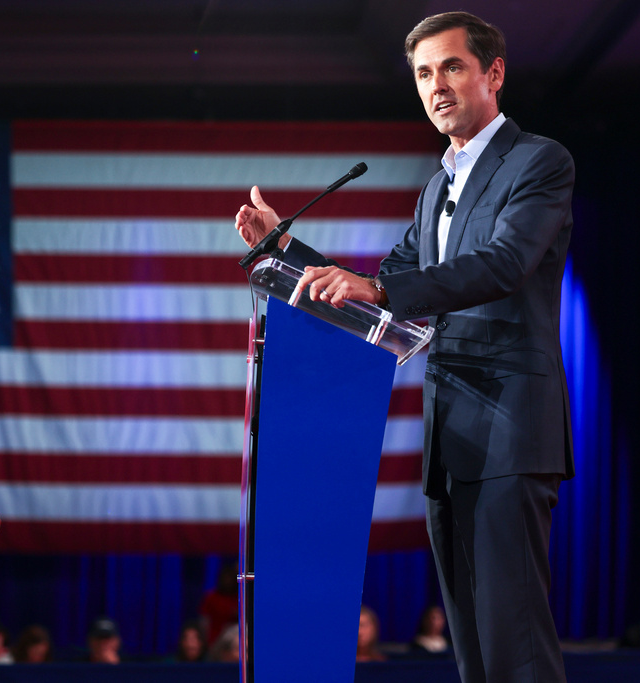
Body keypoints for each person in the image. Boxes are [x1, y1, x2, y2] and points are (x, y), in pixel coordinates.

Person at [234, 11, 574, 683]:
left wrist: (382, 289)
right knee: (474, 649)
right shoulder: (437, 188)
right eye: (423, 74)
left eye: (451, 67)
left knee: (516, 641)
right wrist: (284, 248)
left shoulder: (538, 160)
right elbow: (380, 287)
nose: (435, 85)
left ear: (494, 73)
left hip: (511, 430)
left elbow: (505, 263)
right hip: (450, 438)